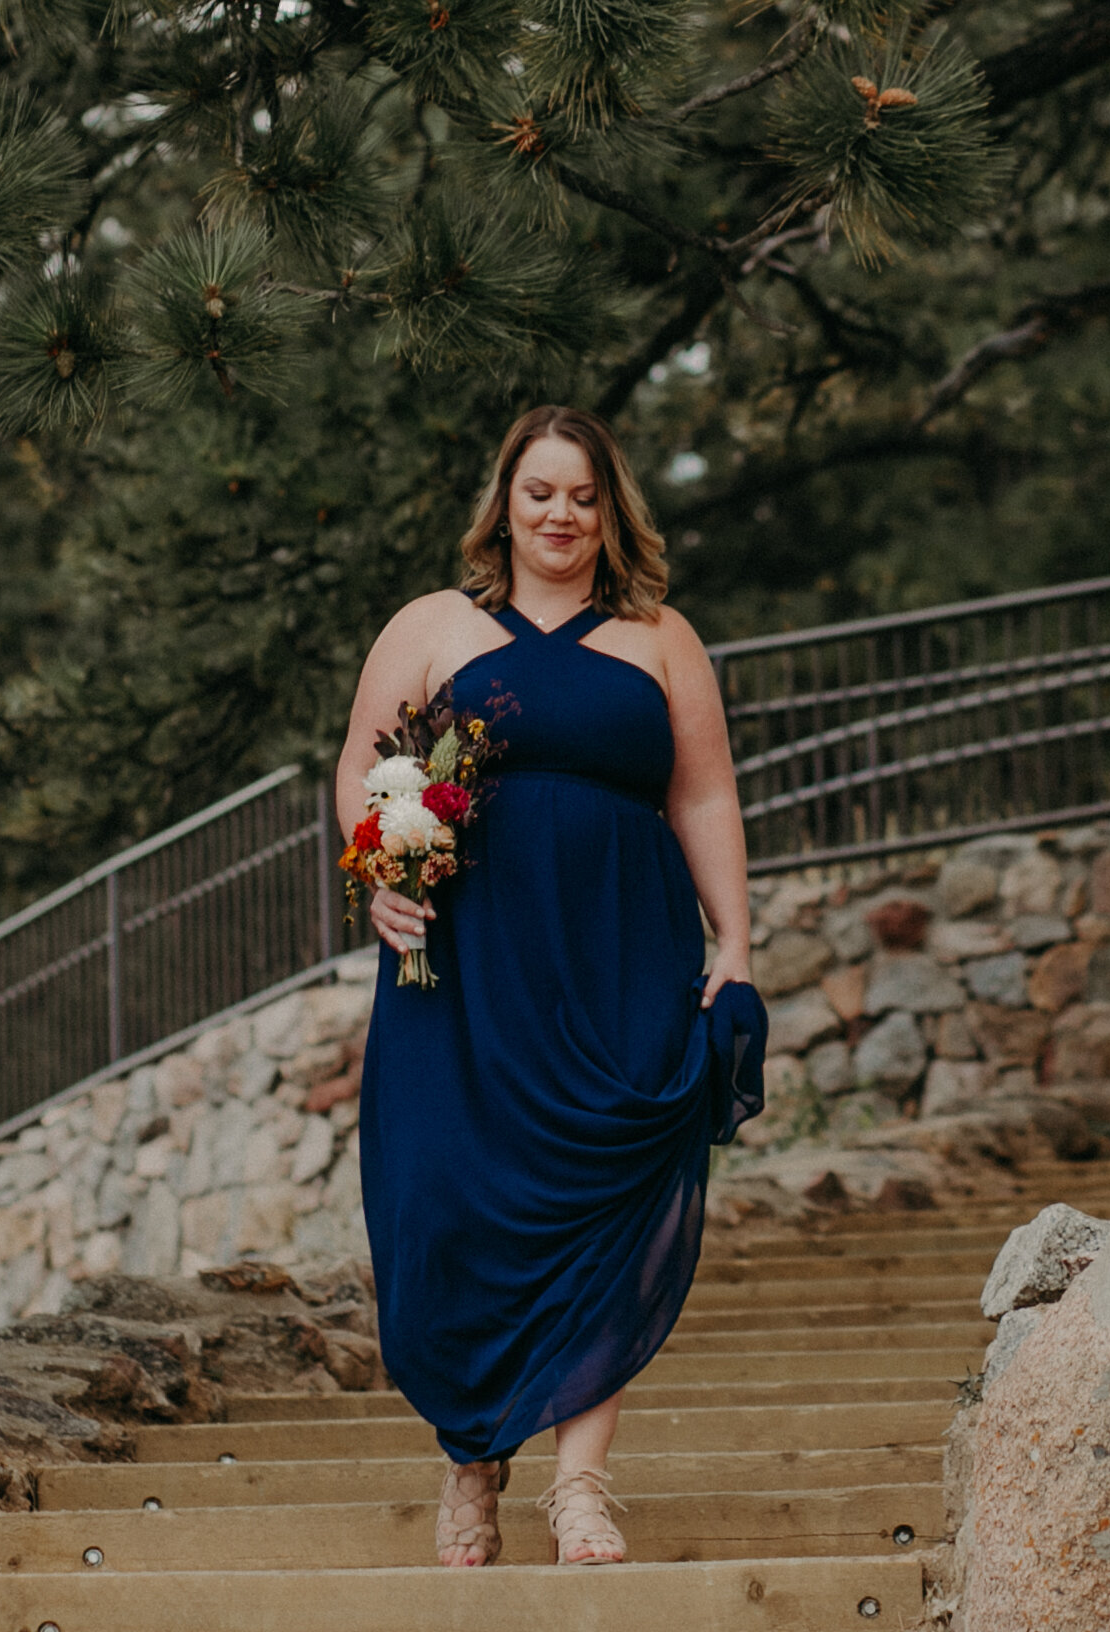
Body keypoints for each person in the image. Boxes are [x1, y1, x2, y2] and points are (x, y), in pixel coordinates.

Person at [336, 405, 766, 1569]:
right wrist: (380, 879)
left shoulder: (662, 637)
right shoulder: (433, 627)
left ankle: (582, 1491)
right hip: (466, 973)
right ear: (505, 506)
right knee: (458, 1210)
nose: (561, 515)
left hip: (624, 958)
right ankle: (473, 1464)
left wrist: (732, 942)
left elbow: (705, 796)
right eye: (540, 494)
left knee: (607, 1207)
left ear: (610, 507)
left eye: (582, 495)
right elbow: (368, 775)